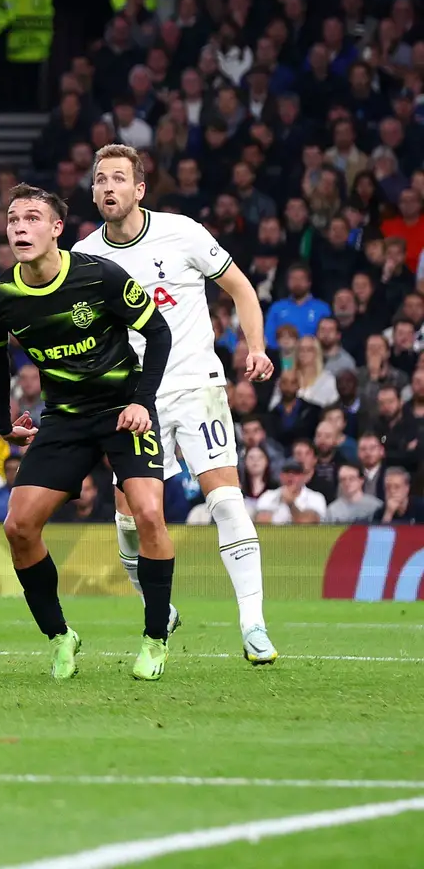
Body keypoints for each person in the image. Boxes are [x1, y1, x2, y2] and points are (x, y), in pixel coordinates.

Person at [78, 145, 279, 664]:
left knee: (227, 500)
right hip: (133, 400)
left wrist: (255, 347)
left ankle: (253, 623)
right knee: (132, 517)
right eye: (100, 179)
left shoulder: (184, 232)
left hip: (196, 383)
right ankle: (155, 605)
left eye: (118, 178)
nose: (107, 187)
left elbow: (241, 289)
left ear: (139, 190)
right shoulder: (84, 257)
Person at [0, 185, 178, 681]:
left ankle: (155, 639)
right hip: (63, 418)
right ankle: (61, 637)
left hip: (121, 411)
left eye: (33, 218)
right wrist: (4, 424)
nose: (21, 227)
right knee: (18, 527)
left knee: (149, 514)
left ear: (57, 229)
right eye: (13, 220)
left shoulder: (99, 275)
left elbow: (158, 332)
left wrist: (141, 402)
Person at [256, 460, 327, 524]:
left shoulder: (316, 497)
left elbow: (308, 524)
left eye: (295, 473)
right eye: (287, 472)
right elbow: (261, 522)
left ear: (303, 477)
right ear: (281, 476)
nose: (290, 476)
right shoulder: (268, 496)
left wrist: (290, 504)